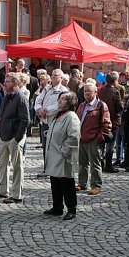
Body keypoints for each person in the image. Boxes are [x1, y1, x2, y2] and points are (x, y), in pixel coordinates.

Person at [44, 92, 81, 220]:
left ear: (70, 102)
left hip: (63, 155)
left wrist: (64, 151)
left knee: (67, 182)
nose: (60, 101)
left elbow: (73, 137)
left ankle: (72, 209)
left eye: (63, 99)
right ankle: (57, 206)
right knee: (55, 181)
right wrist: (49, 133)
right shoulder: (59, 115)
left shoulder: (71, 117)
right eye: (59, 99)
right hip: (54, 154)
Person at [0, 73, 30, 204]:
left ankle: (17, 194)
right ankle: (3, 190)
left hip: (14, 137)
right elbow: (1, 112)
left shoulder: (21, 98)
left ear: (15, 84)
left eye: (8, 82)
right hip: (4, 136)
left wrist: (17, 138)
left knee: (17, 166)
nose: (5, 84)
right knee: (3, 165)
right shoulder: (7, 97)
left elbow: (25, 120)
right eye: (5, 81)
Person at [76, 81, 112, 196]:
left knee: (95, 164)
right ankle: (82, 183)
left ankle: (96, 185)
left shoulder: (101, 105)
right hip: (81, 138)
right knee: (82, 163)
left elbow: (106, 124)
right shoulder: (82, 105)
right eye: (85, 91)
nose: (86, 93)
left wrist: (99, 138)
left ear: (95, 92)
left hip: (94, 140)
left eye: (88, 91)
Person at [35, 69, 68, 159]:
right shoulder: (47, 88)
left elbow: (59, 105)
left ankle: (53, 170)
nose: (53, 77)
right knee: (45, 146)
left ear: (61, 78)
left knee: (54, 147)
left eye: (55, 75)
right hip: (45, 121)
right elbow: (38, 99)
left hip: (55, 122)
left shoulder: (63, 90)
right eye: (52, 75)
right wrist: (39, 109)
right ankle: (46, 169)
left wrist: (45, 110)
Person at [97, 72, 124, 172]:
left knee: (102, 143)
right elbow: (119, 107)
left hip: (101, 120)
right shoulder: (115, 92)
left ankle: (100, 164)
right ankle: (108, 165)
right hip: (112, 120)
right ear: (115, 81)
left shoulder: (101, 91)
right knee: (110, 144)